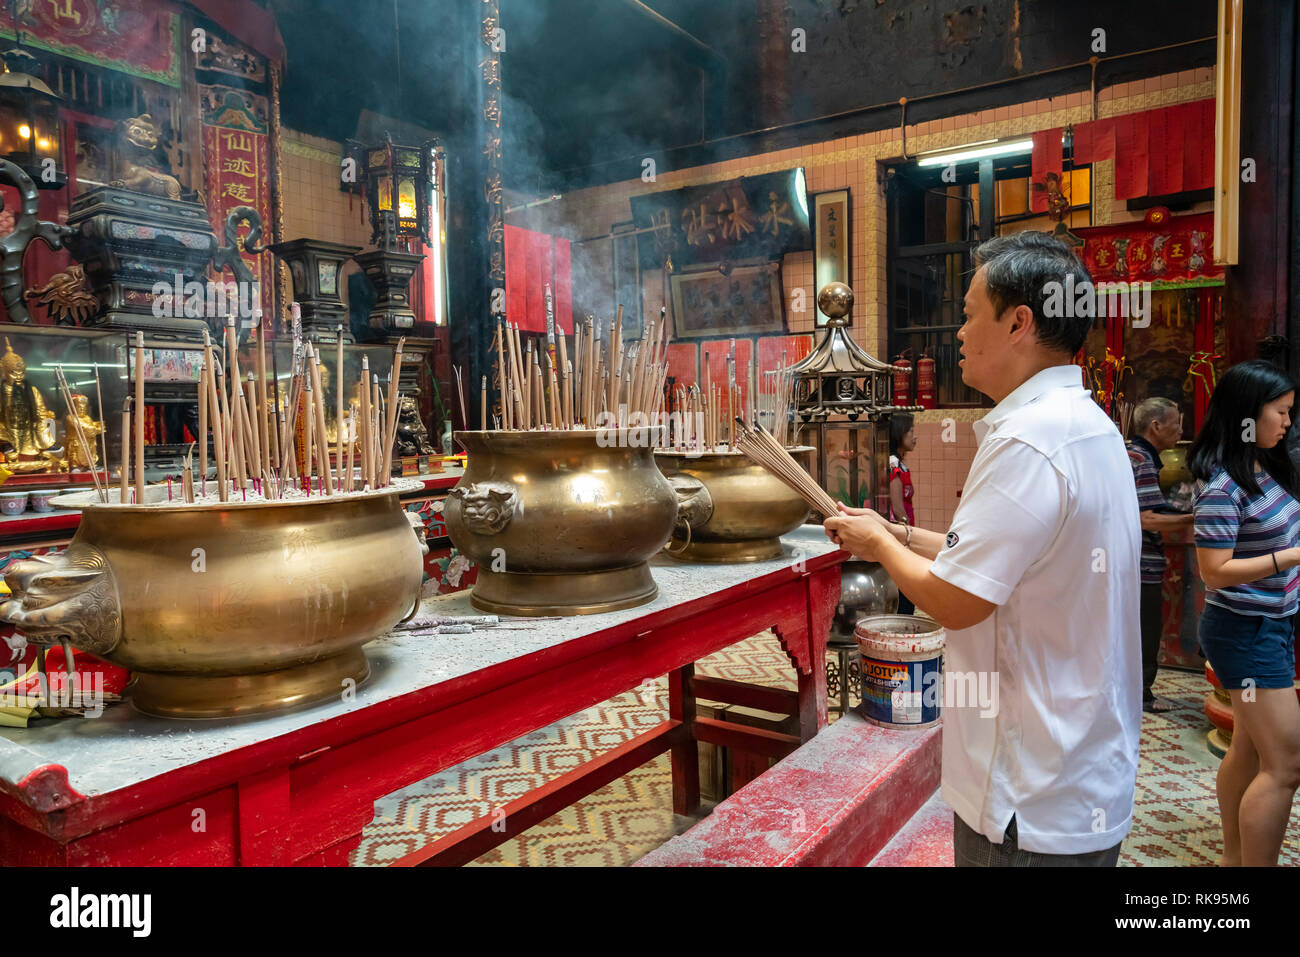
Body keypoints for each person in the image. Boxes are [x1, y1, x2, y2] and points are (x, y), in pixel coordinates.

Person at [824, 231, 1140, 866]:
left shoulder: (1026, 440)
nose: (959, 333)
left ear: (1019, 321)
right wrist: (898, 533)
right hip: (1080, 774)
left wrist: (876, 549)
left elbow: (958, 599)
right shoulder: (1085, 425)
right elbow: (1010, 569)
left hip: (1028, 798)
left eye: (969, 315)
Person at [1188, 359, 1300, 866]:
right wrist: (1292, 556)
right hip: (1245, 631)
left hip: (1269, 623)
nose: (1288, 423)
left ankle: (1235, 861)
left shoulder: (1263, 467)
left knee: (1250, 750)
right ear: (1248, 416)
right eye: (1281, 412)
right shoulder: (1221, 488)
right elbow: (1214, 571)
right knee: (1286, 765)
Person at [1127, 397, 1194, 713]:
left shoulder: (1137, 455)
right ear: (1155, 426)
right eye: (1176, 423)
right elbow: (1145, 518)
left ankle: (1134, 694)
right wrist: (1194, 518)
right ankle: (1141, 696)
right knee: (1146, 630)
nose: (1180, 430)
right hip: (1140, 565)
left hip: (1133, 565)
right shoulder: (1140, 459)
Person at [888, 413, 917, 615]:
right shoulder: (893, 465)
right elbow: (898, 510)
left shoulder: (899, 463)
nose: (915, 436)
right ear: (899, 434)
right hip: (899, 536)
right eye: (911, 431)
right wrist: (909, 537)